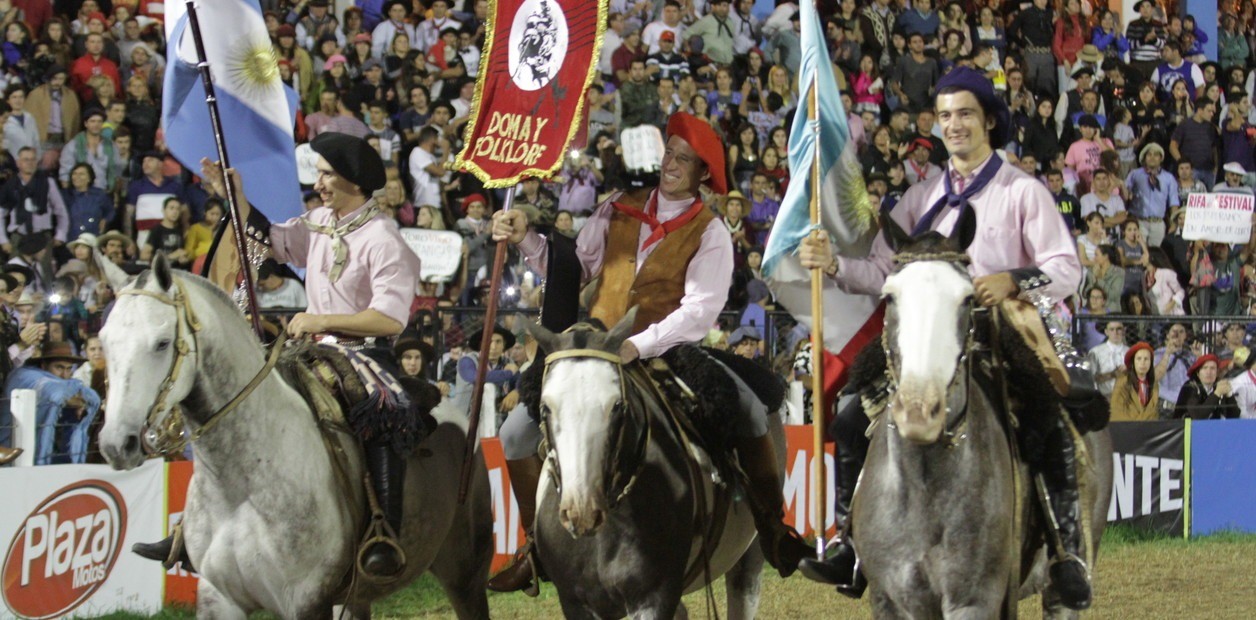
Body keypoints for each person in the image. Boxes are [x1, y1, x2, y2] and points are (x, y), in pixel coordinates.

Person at [795, 67, 1094, 609]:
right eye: (946, 115)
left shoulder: (1021, 191)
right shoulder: (919, 197)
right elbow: (883, 271)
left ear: (988, 121)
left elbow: (1065, 267)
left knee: (1050, 416)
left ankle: (1064, 551)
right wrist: (834, 263)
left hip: (998, 331)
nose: (954, 125)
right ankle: (850, 544)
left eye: (965, 114)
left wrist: (1014, 279)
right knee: (848, 415)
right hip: (925, 332)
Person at [486, 112, 810, 593]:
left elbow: (700, 310)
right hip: (596, 346)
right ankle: (537, 547)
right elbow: (576, 265)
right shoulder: (619, 206)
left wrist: (640, 343)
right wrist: (525, 238)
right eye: (670, 152)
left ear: (703, 174)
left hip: (669, 350)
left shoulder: (711, 231)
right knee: (514, 433)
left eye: (685, 158)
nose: (671, 164)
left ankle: (772, 526)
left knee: (748, 410)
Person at [134, 133, 422, 578]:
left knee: (382, 417)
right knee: (241, 407)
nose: (320, 182)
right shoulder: (321, 221)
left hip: (364, 355)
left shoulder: (385, 239)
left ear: (354, 181)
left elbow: (389, 319)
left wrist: (322, 321)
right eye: (321, 173)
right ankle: (197, 528)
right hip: (311, 349)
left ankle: (384, 531)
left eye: (327, 174)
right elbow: (268, 239)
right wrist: (235, 199)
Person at [3, 340, 99, 464]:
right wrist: (68, 398)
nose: (64, 375)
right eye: (59, 367)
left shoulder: (71, 387)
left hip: (62, 460)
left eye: (69, 369)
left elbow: (89, 397)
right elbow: (53, 391)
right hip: (18, 459)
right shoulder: (25, 376)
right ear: (44, 365)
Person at [1172, 354, 1238, 420]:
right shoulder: (1190, 387)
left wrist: (1229, 395)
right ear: (1198, 373)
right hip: (1186, 428)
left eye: (1212, 368)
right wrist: (1216, 394)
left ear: (1217, 372)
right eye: (1205, 368)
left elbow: (1235, 416)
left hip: (1212, 428)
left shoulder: (1217, 386)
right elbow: (1197, 415)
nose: (1209, 372)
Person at [1110, 341, 1159, 421]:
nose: (1143, 363)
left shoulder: (1154, 385)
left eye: (1146, 359)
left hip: (1149, 429)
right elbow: (1116, 411)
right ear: (1133, 362)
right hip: (1128, 429)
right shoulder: (1122, 382)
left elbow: (1154, 413)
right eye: (1139, 359)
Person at [1087, 320, 1129, 398]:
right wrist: (1112, 374)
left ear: (1124, 331)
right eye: (1112, 329)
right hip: (1103, 399)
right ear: (1106, 332)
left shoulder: (1131, 352)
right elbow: (1090, 379)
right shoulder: (1096, 352)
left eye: (1119, 329)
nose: (1115, 333)